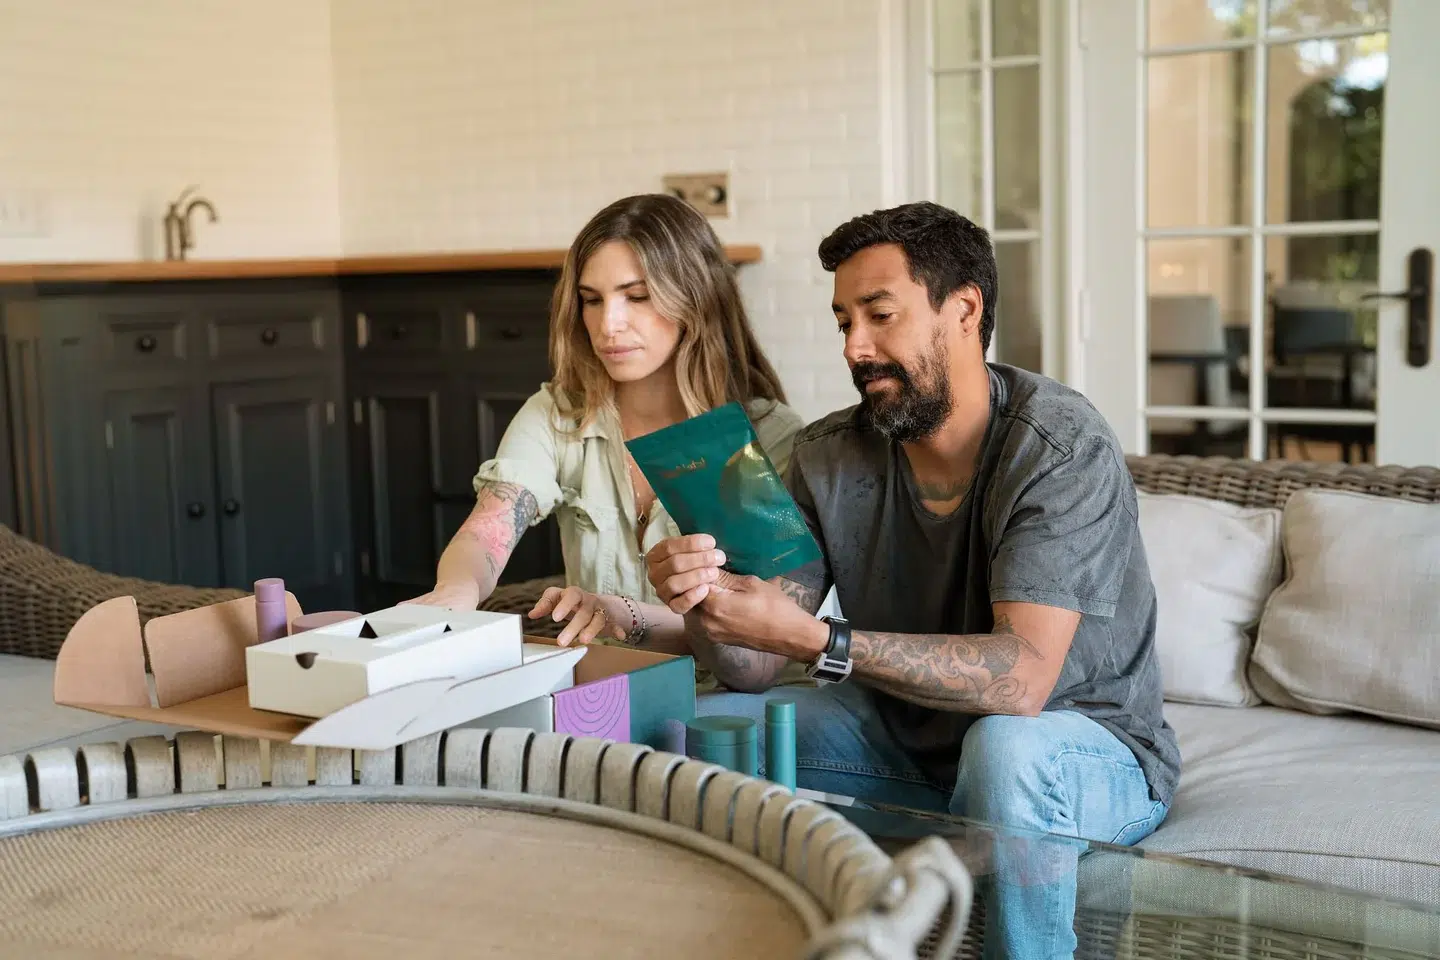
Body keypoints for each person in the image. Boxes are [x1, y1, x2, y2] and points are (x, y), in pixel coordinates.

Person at [644, 201, 1181, 959]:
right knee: (709, 729)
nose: (856, 347)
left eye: (880, 315)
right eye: (842, 323)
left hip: (1084, 749)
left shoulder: (1059, 448)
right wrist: (705, 601)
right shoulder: (829, 453)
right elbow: (753, 667)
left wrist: (818, 640)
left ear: (963, 310)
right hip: (906, 741)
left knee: (1005, 751)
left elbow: (1021, 683)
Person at [408, 193, 807, 667]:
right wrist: (456, 589)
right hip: (606, 683)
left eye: (636, 296)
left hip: (733, 702)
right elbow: (485, 533)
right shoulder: (558, 415)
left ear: (697, 300)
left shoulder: (768, 434)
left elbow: (772, 635)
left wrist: (626, 616)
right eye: (591, 300)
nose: (607, 324)